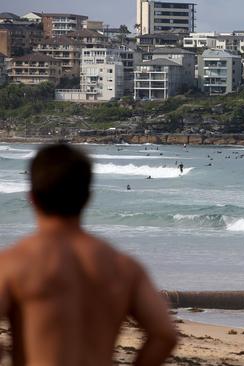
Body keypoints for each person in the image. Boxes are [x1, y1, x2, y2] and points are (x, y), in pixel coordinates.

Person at [0, 144, 176, 365]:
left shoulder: (14, 264)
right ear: (88, 197)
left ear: (32, 197)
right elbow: (164, 335)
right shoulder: (124, 267)